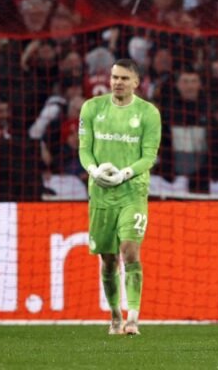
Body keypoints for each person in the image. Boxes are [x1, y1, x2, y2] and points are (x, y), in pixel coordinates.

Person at [78, 58, 161, 336]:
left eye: (124, 78)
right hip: (100, 194)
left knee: (129, 251)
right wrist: (93, 171)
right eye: (114, 77)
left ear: (136, 82)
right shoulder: (92, 107)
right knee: (109, 260)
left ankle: (133, 318)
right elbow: (84, 149)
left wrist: (123, 174)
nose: (117, 82)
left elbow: (148, 156)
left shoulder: (148, 113)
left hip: (132, 193)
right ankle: (115, 315)